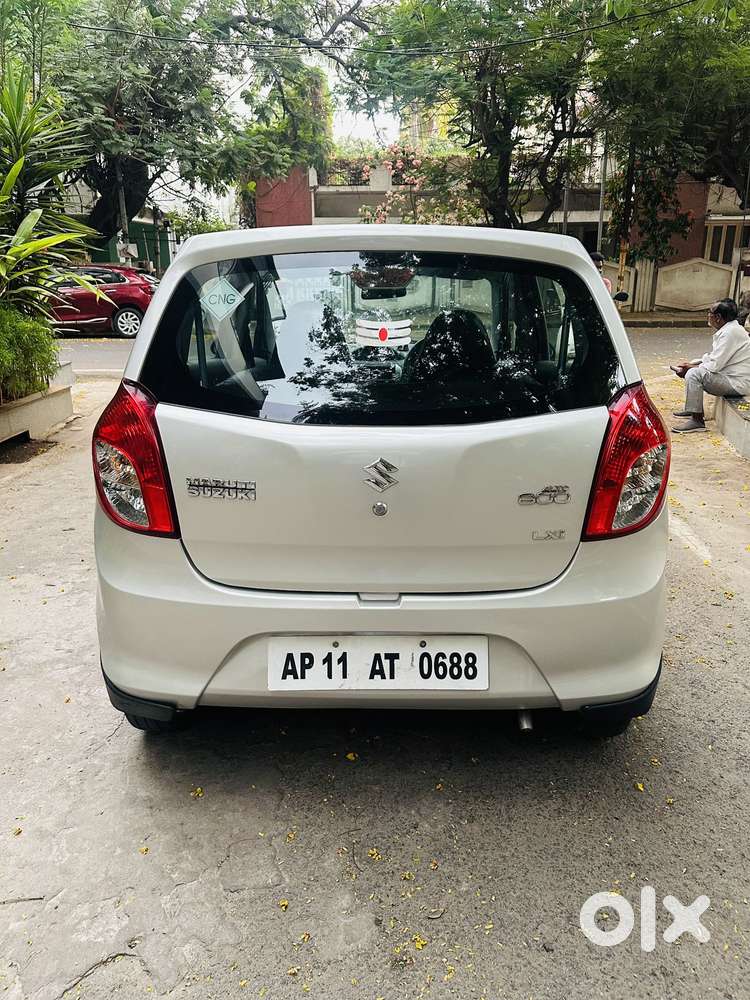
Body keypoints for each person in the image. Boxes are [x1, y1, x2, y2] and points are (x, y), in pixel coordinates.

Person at [671, 298, 750, 433]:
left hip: (737, 383)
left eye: (710, 312)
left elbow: (714, 366)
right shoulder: (730, 330)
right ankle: (692, 409)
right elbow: (712, 358)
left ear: (718, 317)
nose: (708, 315)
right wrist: (692, 364)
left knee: (694, 374)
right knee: (694, 368)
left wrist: (691, 369)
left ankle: (697, 421)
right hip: (731, 378)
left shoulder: (730, 333)